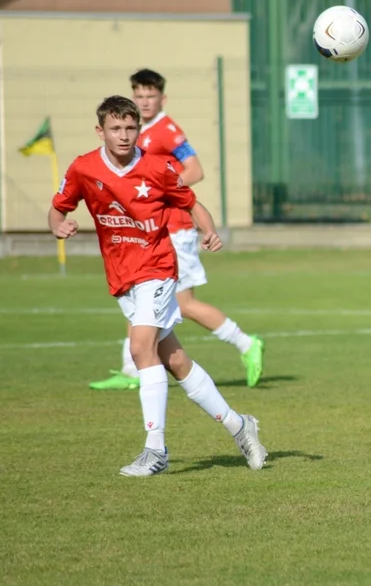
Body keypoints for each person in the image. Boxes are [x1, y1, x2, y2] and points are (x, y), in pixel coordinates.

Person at [50, 95, 267, 476]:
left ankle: (156, 450)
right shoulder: (84, 168)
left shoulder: (157, 167)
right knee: (174, 361)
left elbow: (192, 203)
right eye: (115, 128)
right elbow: (59, 207)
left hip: (158, 268)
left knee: (139, 348)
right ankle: (239, 426)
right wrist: (58, 225)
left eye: (130, 128)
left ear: (139, 129)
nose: (123, 135)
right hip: (122, 277)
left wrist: (210, 230)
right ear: (100, 131)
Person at [90, 69, 264, 391]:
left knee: (184, 303)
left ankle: (246, 343)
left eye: (150, 96)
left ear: (162, 98)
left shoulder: (168, 131)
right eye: (138, 95)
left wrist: (162, 188)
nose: (144, 101)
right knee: (138, 293)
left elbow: (195, 169)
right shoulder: (135, 130)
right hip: (150, 229)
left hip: (175, 228)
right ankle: (131, 369)